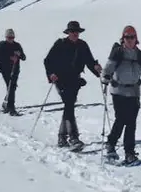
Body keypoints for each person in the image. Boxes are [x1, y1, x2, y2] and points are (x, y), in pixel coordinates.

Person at [43, 20, 102, 149]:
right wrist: (51, 73)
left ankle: (62, 137)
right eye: (72, 32)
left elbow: (89, 61)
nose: (75, 34)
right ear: (68, 33)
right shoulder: (60, 44)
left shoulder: (83, 45)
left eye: (76, 32)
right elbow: (48, 60)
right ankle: (73, 137)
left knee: (68, 106)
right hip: (60, 80)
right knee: (69, 104)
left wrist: (96, 69)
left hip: (75, 80)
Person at [103, 24, 141, 164]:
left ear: (136, 38)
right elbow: (108, 67)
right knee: (121, 119)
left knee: (131, 123)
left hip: (133, 92)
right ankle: (111, 144)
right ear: (123, 38)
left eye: (132, 37)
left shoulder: (140, 54)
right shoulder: (118, 52)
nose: (130, 40)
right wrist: (106, 76)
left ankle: (129, 153)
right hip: (118, 91)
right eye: (127, 37)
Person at [0, 28, 27, 115]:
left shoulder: (17, 45)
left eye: (12, 37)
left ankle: (7, 103)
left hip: (15, 70)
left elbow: (24, 57)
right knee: (11, 86)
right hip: (5, 70)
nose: (11, 39)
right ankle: (11, 107)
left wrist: (19, 55)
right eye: (9, 37)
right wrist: (9, 58)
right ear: (6, 37)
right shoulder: (2, 45)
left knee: (12, 87)